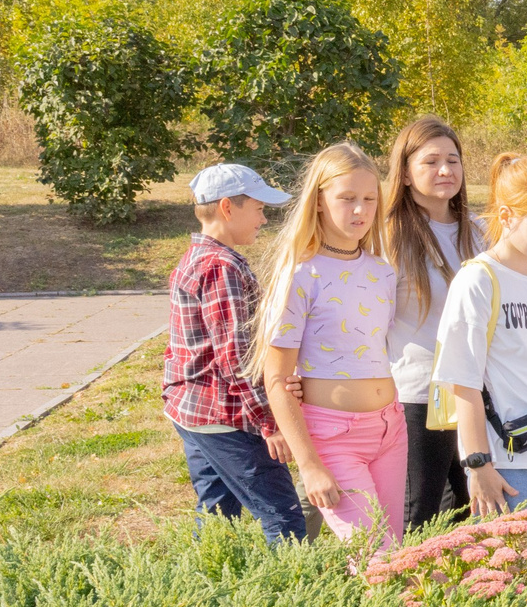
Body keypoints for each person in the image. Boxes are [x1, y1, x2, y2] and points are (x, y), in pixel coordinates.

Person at [252, 144, 401, 541]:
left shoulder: (384, 273)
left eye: (369, 199)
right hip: (334, 437)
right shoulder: (300, 275)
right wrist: (309, 464)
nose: (360, 210)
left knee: (398, 550)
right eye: (347, 198)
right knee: (377, 557)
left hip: (391, 429)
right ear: (319, 201)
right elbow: (277, 380)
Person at [163, 163, 308, 543]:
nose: (263, 219)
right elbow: (236, 358)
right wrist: (270, 422)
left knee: (216, 517)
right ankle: (293, 597)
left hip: (192, 411)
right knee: (285, 519)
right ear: (228, 207)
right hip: (225, 417)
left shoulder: (197, 256)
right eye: (259, 209)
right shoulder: (221, 266)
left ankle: (200, 593)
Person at [432, 153, 527, 519]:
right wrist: (478, 464)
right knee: (517, 570)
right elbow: (462, 382)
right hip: (503, 458)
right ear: (506, 217)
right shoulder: (478, 280)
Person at [380, 117, 485, 531]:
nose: (446, 170)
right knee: (418, 513)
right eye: (431, 161)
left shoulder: (479, 233)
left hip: (474, 392)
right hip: (417, 394)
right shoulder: (387, 237)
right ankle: (394, 594)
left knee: (471, 509)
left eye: (453, 160)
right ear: (404, 173)